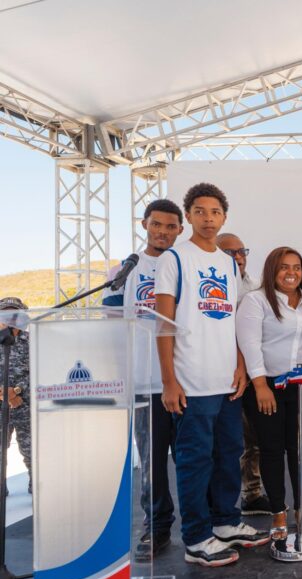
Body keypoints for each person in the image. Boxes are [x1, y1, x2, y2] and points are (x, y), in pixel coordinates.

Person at [155, 182, 269, 567]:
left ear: (224, 217)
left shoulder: (226, 263)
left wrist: (240, 365)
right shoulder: (174, 258)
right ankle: (197, 538)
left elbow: (236, 320)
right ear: (188, 216)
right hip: (191, 382)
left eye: (215, 212)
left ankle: (225, 522)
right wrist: (169, 380)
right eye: (200, 211)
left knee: (228, 455)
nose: (208, 218)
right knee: (194, 461)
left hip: (226, 381)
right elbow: (164, 323)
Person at [103, 199, 184, 556]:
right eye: (157, 225)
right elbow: (111, 328)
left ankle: (203, 522)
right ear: (144, 224)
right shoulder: (124, 270)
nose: (163, 232)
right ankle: (157, 526)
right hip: (144, 382)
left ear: (180, 229)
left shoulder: (185, 266)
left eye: (170, 226)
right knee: (152, 463)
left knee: (194, 458)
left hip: (185, 379)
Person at [236, 246, 302, 540]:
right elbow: (249, 343)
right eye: (284, 267)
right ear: (271, 270)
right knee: (271, 451)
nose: (291, 273)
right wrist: (259, 385)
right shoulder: (256, 300)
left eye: (297, 267)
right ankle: (279, 513)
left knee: (300, 451)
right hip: (266, 386)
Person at [217, 232, 269, 517]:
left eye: (241, 251)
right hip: (221, 373)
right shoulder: (210, 284)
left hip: (252, 371)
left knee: (254, 438)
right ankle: (220, 507)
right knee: (228, 441)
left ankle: (252, 494)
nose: (238, 257)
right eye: (230, 253)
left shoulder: (254, 286)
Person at [0, 297, 31, 494]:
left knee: (30, 450)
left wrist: (16, 391)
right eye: (5, 314)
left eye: (14, 314)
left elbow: (41, 370)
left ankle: (36, 484)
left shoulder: (32, 341)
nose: (10, 319)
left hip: (25, 404)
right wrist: (5, 394)